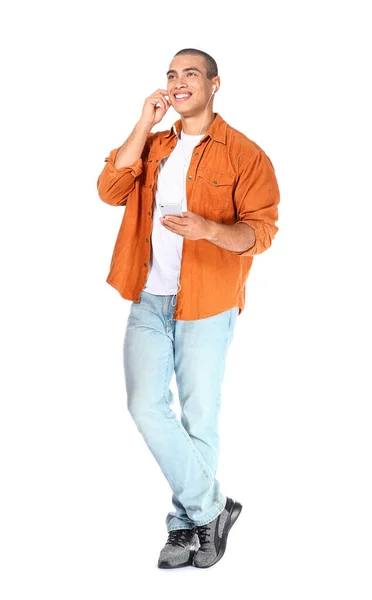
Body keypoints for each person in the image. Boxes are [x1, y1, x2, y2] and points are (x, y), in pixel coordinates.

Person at [97, 48, 280, 569]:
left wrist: (208, 230)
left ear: (214, 85)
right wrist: (141, 122)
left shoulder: (245, 154)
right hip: (149, 297)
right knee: (145, 406)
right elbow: (109, 189)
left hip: (208, 300)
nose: (179, 83)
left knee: (198, 417)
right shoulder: (154, 147)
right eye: (172, 75)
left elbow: (261, 231)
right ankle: (214, 510)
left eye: (190, 74)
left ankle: (185, 526)